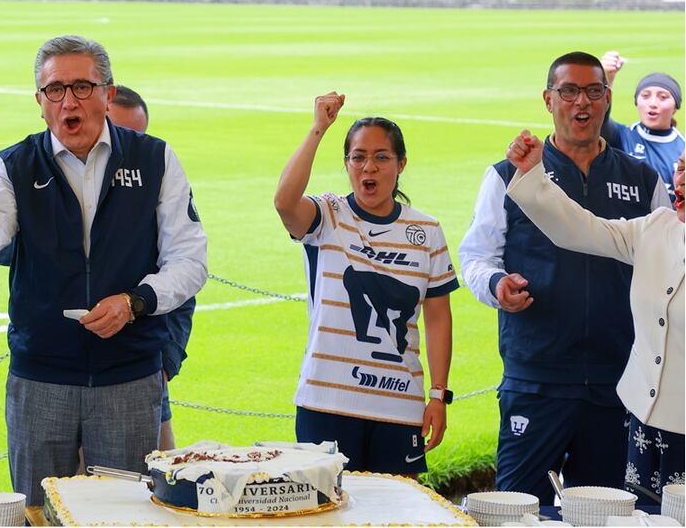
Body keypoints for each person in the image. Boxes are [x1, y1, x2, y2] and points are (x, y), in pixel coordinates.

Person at [0, 35, 207, 505]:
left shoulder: (155, 158)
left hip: (128, 377)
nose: (69, 101)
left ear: (109, 94)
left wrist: (135, 302)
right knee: (35, 514)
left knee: (124, 517)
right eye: (55, 90)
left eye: (83, 87)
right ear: (39, 103)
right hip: (40, 377)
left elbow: (190, 260)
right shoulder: (13, 163)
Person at [459, 51, 671, 504]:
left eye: (594, 92)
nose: (582, 103)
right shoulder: (509, 175)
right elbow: (476, 256)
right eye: (569, 91)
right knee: (514, 510)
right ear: (548, 99)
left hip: (619, 380)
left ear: (608, 99)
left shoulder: (642, 178)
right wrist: (497, 287)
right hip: (537, 374)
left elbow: (673, 263)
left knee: (608, 513)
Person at [274, 92, 457, 475]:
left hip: (398, 404)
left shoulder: (426, 230)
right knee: (324, 513)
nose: (368, 167)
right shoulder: (328, 215)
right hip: (326, 402)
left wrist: (438, 395)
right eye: (358, 157)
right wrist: (318, 129)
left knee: (393, 513)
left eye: (381, 157)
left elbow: (438, 316)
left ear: (401, 164)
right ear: (346, 164)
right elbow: (284, 202)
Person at [505, 133, 684, 498]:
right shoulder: (658, 227)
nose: (680, 175)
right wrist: (534, 176)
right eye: (682, 165)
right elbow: (582, 228)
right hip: (643, 422)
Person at [107, 85, 193, 452]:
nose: (129, 148)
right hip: (65, 381)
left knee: (152, 491)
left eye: (137, 137)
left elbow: (185, 277)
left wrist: (165, 364)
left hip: (143, 370)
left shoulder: (158, 185)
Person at [600, 51, 683, 201]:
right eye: (645, 96)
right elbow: (598, 117)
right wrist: (606, 78)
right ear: (637, 102)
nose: (652, 103)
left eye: (663, 97)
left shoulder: (682, 148)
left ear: (675, 106)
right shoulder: (620, 136)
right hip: (623, 223)